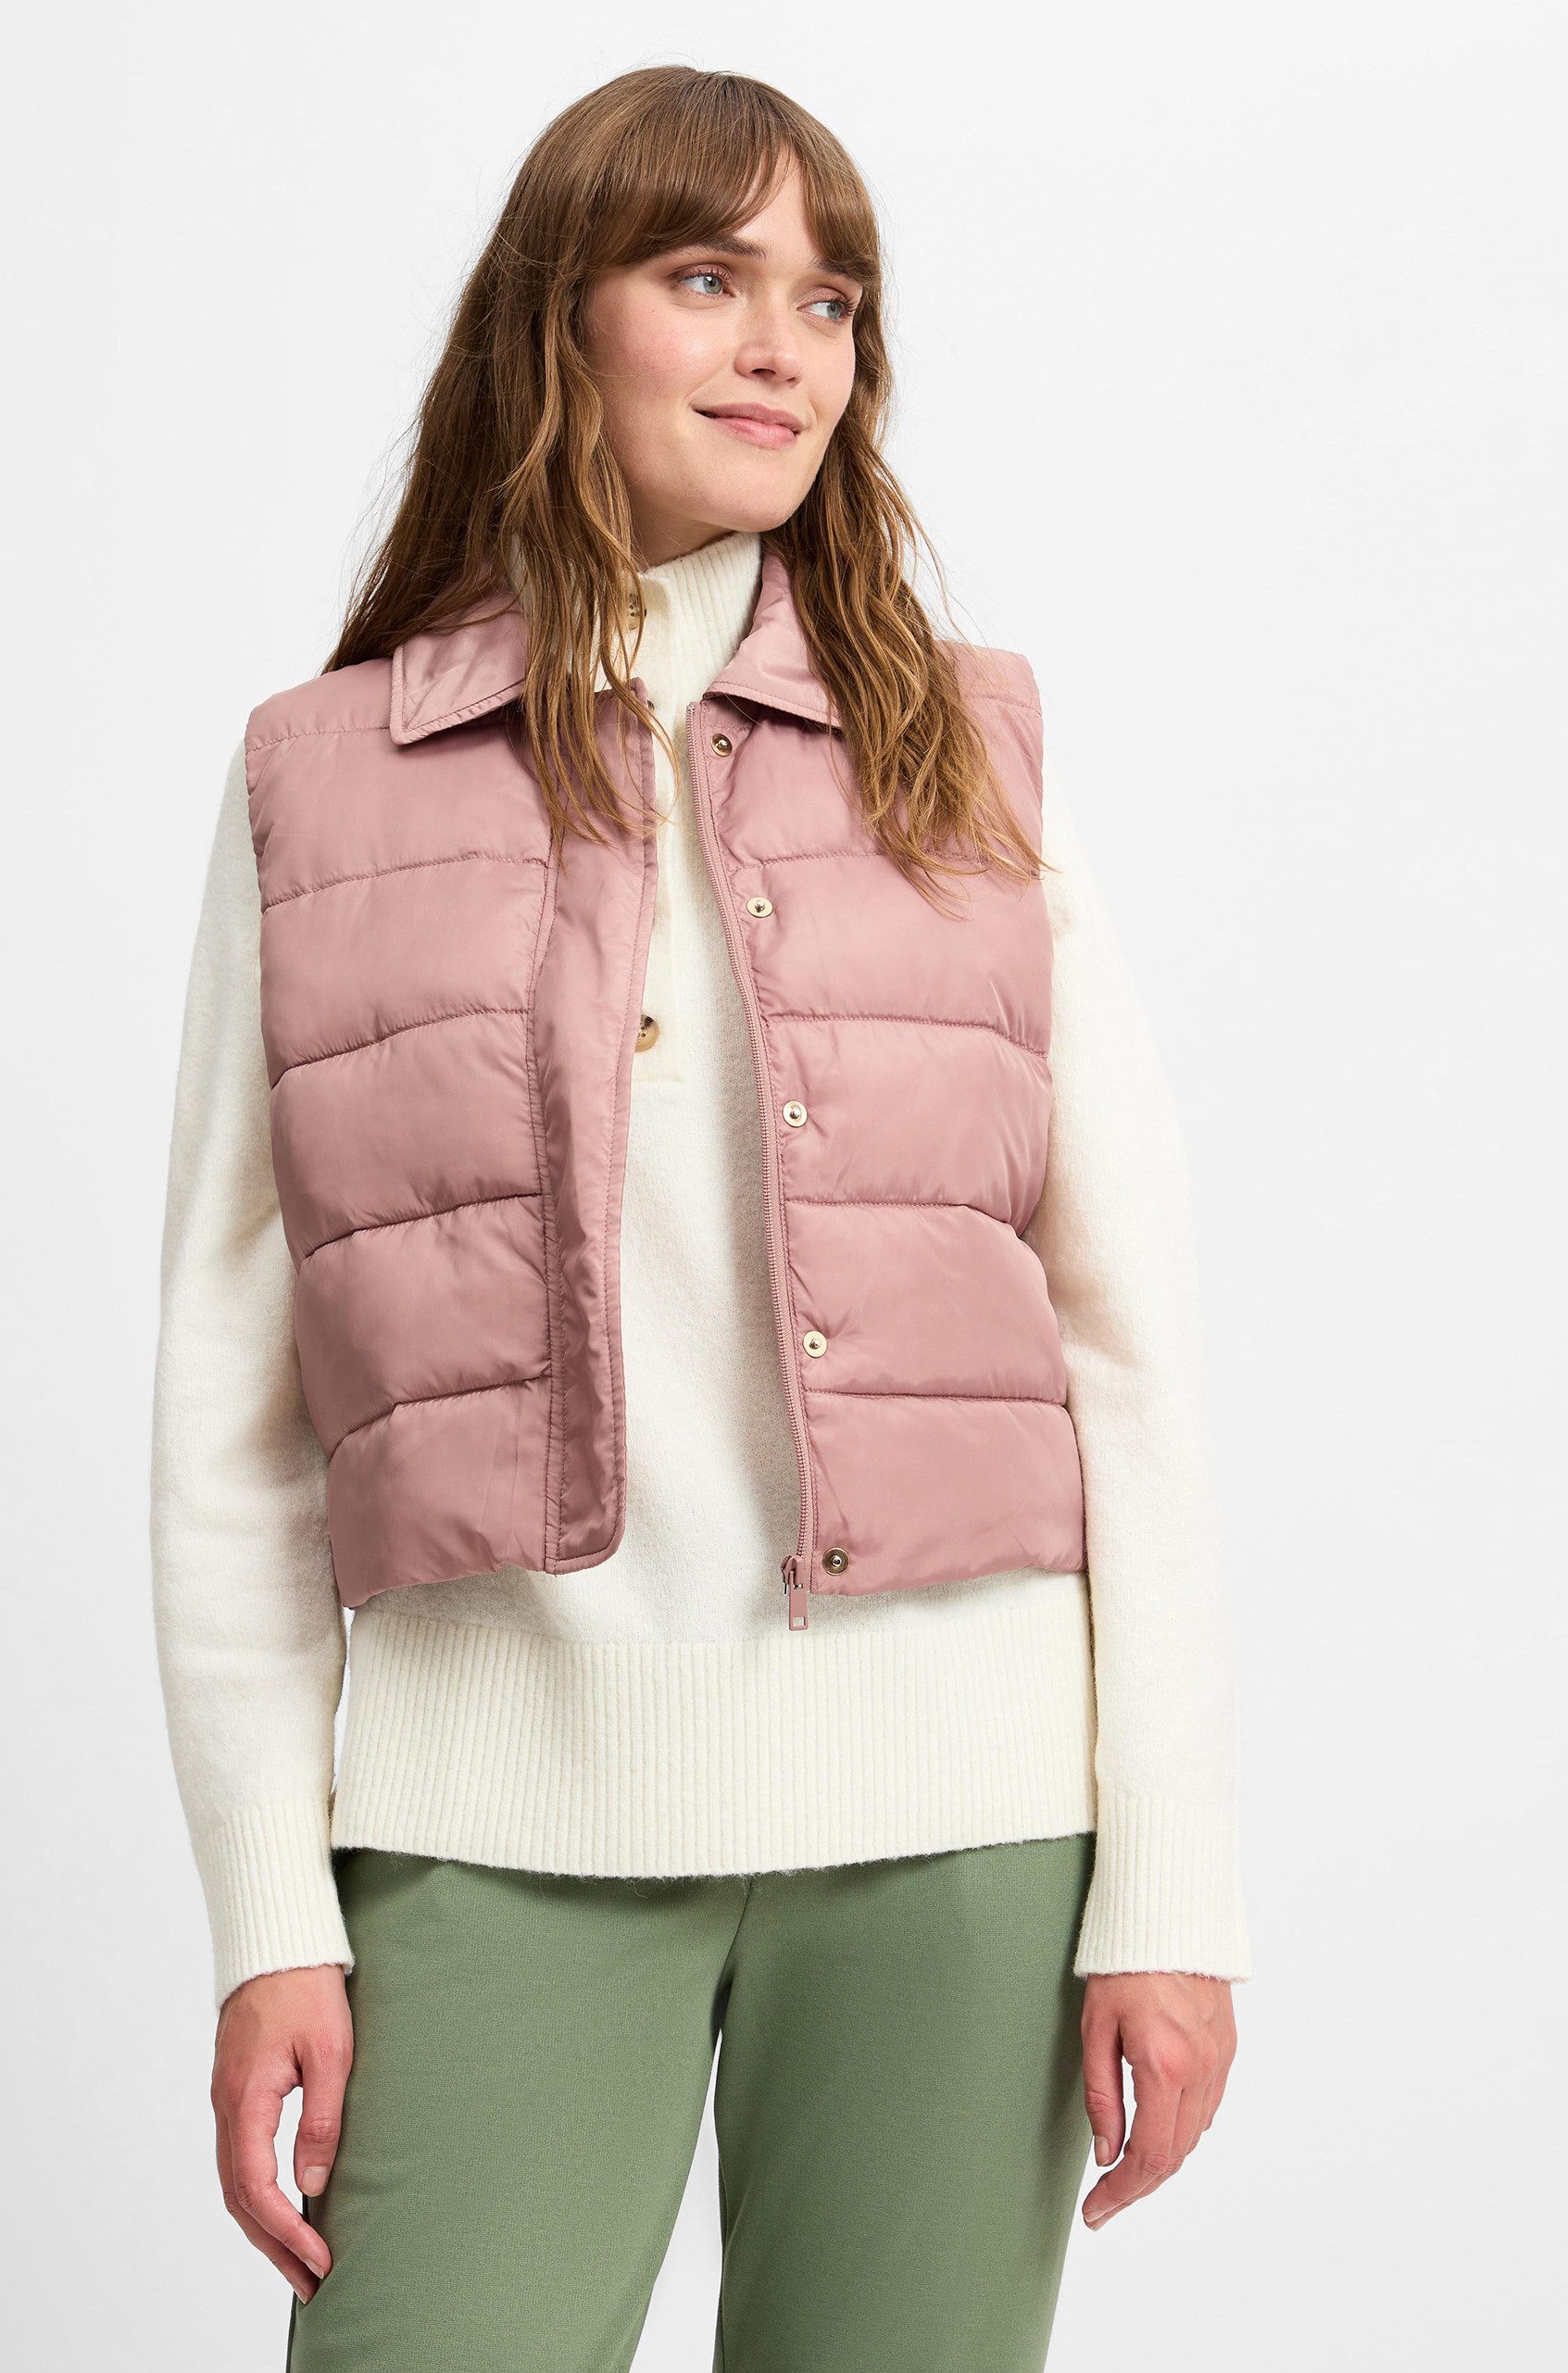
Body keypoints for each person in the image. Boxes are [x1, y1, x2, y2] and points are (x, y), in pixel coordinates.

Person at [150, 62, 1250, 2373]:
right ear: (560, 315)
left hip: (961, 1832)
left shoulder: (966, 760)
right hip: (491, 1830)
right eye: (708, 275)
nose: (784, 348)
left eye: (831, 300)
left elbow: (1127, 1349)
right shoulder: (322, 786)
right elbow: (232, 1419)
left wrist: (1170, 1883)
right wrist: (272, 1912)